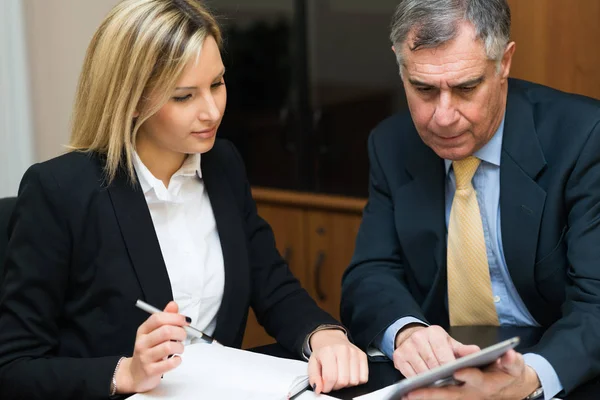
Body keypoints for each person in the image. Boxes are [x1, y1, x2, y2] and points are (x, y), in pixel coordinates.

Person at [0, 1, 369, 398]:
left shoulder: (223, 164)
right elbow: (15, 367)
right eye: (183, 96)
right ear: (134, 99)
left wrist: (323, 335)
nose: (211, 111)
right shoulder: (60, 191)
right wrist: (124, 373)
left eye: (217, 84)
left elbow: (272, 284)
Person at [340, 0, 600, 399]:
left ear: (504, 63)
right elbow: (370, 274)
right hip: (444, 375)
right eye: (423, 89)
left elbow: (595, 304)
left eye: (465, 88)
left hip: (557, 369)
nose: (443, 117)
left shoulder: (583, 137)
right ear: (400, 65)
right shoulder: (391, 144)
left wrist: (529, 380)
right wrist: (408, 332)